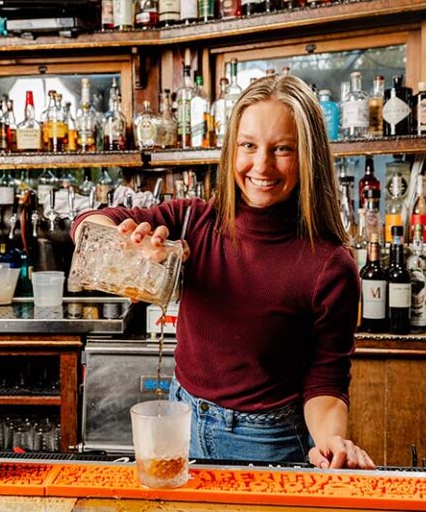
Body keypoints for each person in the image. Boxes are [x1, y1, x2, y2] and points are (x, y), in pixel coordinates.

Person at [72, 75, 374, 469]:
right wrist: (127, 240)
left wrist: (332, 443)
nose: (261, 165)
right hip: (183, 419)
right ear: (231, 149)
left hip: (267, 439)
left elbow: (326, 382)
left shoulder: (331, 265)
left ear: (309, 157)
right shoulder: (194, 220)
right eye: (248, 146)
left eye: (282, 149)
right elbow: (87, 223)